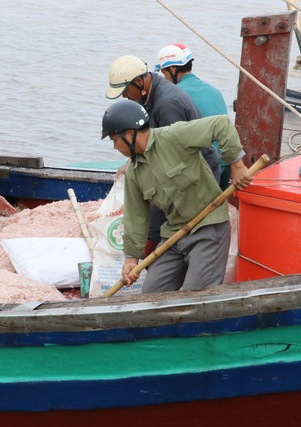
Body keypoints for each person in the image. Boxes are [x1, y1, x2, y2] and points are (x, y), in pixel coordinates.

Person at [101, 100, 252, 293]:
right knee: (150, 295)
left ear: (130, 134)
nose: (115, 146)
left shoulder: (174, 136)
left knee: (194, 296)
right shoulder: (133, 171)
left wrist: (237, 166)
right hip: (173, 235)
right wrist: (131, 259)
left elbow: (220, 124)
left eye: (115, 140)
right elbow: (135, 217)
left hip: (208, 227)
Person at [106, 54, 220, 255]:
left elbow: (172, 155)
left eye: (125, 91)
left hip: (196, 173)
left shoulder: (168, 104)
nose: (124, 97)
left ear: (139, 81)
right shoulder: (147, 94)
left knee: (153, 224)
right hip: (176, 166)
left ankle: (145, 265)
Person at [154, 43, 231, 191]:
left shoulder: (173, 97)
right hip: (225, 166)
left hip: (204, 169)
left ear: (172, 69)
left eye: (164, 73)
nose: (164, 79)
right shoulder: (214, 90)